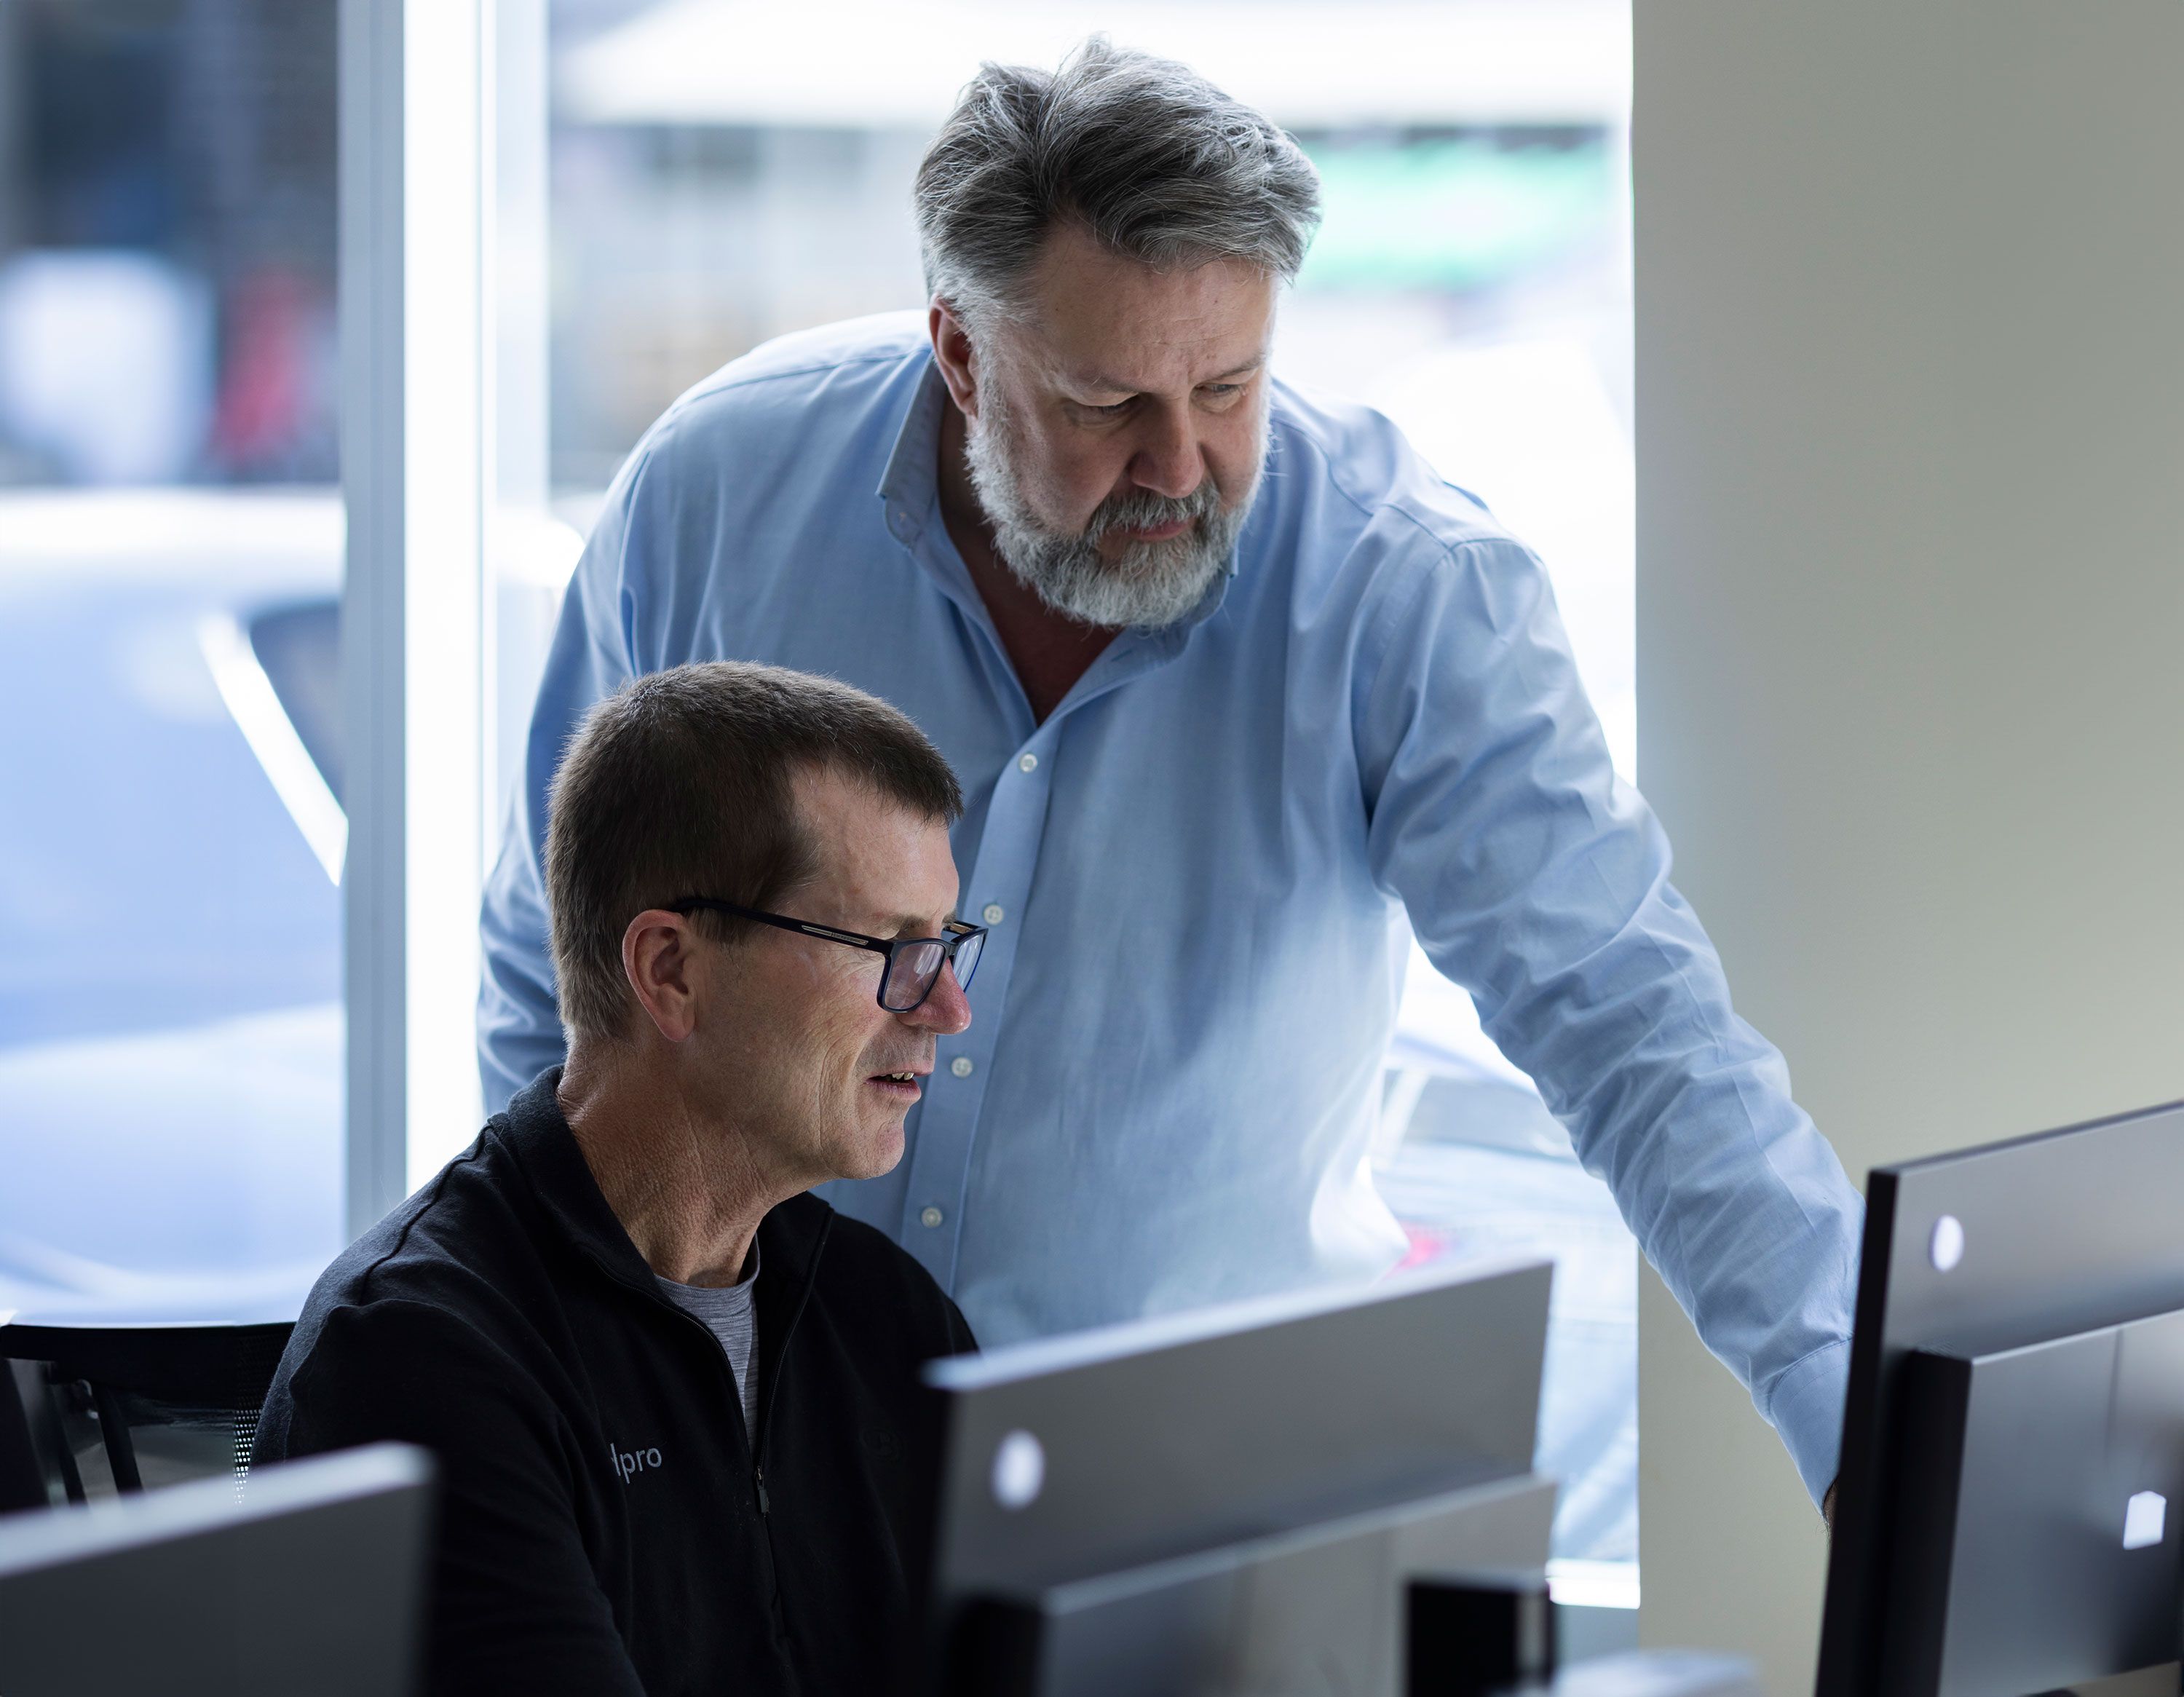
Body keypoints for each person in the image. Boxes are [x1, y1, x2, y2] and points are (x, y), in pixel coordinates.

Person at [480, 39, 1861, 1513]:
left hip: (1188, 1517)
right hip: (755, 1483)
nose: (1179, 465)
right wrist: (588, 1359)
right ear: (959, 350)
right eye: (1104, 404)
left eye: (1229, 385)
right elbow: (555, 979)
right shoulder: (715, 496)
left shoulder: (1401, 594)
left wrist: (1867, 1429)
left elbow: (1636, 1028)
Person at [258, 662, 982, 1695]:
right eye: (894, 950)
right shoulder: (420, 1359)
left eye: (948, 946)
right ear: (671, 971)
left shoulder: (890, 1320)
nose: (947, 1010)